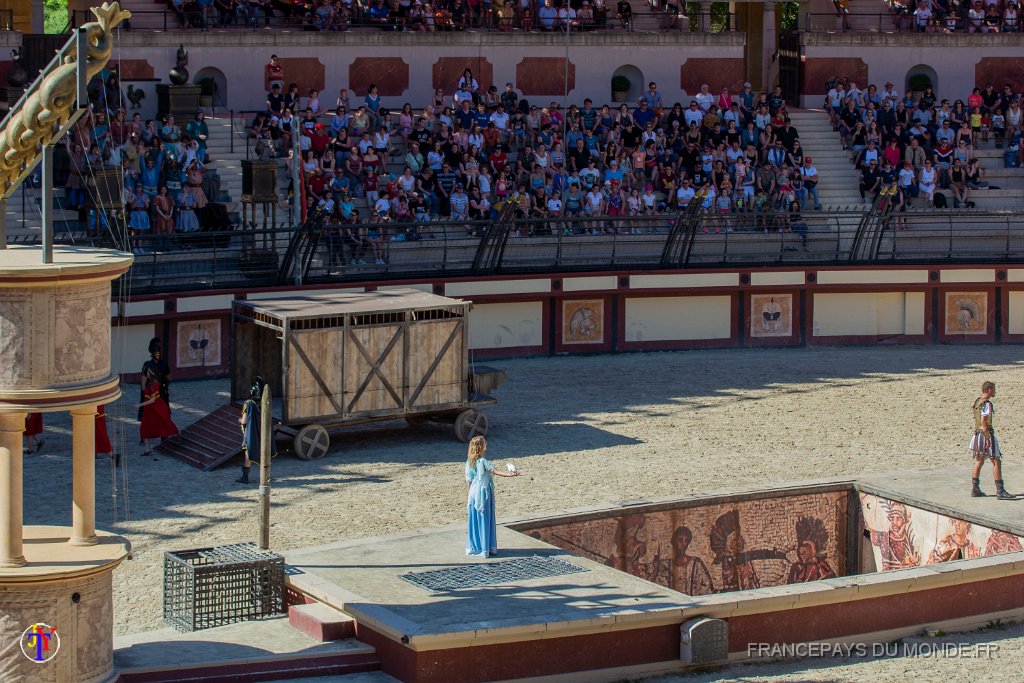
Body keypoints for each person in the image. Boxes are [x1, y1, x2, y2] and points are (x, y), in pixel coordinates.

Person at [465, 435, 519, 558]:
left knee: (475, 519)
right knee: (485, 519)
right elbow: (495, 471)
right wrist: (511, 475)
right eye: (485, 443)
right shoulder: (483, 461)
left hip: (473, 493)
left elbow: (468, 481)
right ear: (480, 447)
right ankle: (486, 548)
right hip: (483, 492)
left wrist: (470, 496)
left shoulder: (468, 462)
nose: (487, 445)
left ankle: (475, 547)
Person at [970, 381, 1014, 499]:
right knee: (996, 460)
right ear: (988, 389)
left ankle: (975, 488)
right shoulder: (987, 403)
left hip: (977, 433)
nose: (994, 391)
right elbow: (984, 420)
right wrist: (988, 437)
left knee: (979, 460)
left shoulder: (977, 401)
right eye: (993, 389)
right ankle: (1000, 490)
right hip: (985, 433)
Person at [134, 366, 178, 456]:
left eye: (148, 372)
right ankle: (147, 450)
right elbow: (144, 392)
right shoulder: (148, 382)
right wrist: (143, 381)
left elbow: (152, 400)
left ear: (153, 373)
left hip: (156, 409)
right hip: (149, 409)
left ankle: (176, 436)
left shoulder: (154, 384)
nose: (147, 373)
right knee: (144, 428)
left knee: (164, 425)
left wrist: (139, 405)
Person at [237, 376, 267, 484]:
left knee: (248, 455)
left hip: (250, 432)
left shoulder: (248, 404)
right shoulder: (261, 403)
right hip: (259, 430)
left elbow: (244, 421)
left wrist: (240, 420)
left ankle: (245, 477)